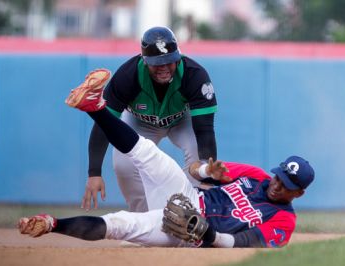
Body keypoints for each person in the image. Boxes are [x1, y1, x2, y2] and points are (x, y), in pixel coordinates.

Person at [18, 69, 315, 248]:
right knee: (147, 151)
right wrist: (207, 171)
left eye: (287, 184)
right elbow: (196, 171)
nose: (277, 184)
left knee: (121, 223)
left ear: (299, 193)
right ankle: (95, 106)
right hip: (186, 196)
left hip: (188, 234)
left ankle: (51, 224)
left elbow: (244, 243)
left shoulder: (283, 220)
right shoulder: (256, 176)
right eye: (279, 176)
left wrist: (208, 234)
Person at [85, 26, 218, 212]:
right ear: (144, 60)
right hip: (140, 122)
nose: (164, 67)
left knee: (198, 155)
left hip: (181, 120)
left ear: (177, 57)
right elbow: (103, 125)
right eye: (157, 62)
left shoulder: (194, 74)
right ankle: (143, 221)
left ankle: (193, 215)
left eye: (169, 61)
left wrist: (206, 178)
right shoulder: (127, 76)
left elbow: (205, 130)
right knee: (123, 163)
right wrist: (94, 173)